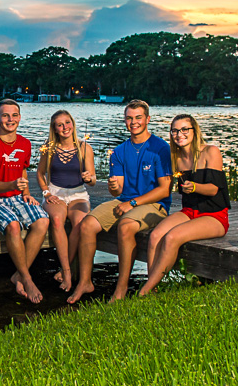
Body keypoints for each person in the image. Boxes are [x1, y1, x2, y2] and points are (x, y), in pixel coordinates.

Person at [67, 99, 172, 304]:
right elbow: (118, 191)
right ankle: (85, 281)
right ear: (125, 120)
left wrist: (132, 204)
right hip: (126, 201)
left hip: (154, 205)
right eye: (129, 118)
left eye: (138, 117)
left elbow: (164, 189)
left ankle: (121, 288)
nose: (134, 122)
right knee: (87, 224)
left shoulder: (161, 148)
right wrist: (114, 187)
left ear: (147, 119)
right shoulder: (119, 151)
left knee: (125, 226)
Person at [139, 114, 230, 296]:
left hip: (214, 215)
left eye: (184, 129)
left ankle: (145, 290)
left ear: (194, 131)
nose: (179, 134)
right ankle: (154, 287)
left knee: (172, 237)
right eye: (174, 131)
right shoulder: (178, 159)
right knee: (156, 235)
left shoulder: (211, 152)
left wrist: (194, 187)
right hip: (189, 211)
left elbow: (213, 189)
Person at [0, 99, 50, 304]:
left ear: (19, 117)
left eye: (14, 115)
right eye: (5, 115)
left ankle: (18, 275)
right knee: (13, 225)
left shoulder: (25, 143)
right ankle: (27, 278)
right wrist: (12, 186)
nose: (10, 119)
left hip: (16, 196)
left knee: (43, 221)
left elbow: (22, 170)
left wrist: (26, 191)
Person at [36, 110, 96, 292]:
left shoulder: (84, 147)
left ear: (73, 124)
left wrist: (88, 178)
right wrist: (46, 193)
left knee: (79, 221)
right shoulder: (49, 147)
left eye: (67, 123)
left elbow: (93, 180)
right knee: (56, 219)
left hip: (78, 194)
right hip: (55, 192)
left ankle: (64, 268)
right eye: (60, 125)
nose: (65, 128)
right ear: (54, 128)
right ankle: (68, 273)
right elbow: (40, 173)